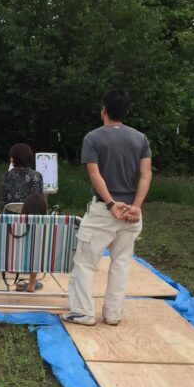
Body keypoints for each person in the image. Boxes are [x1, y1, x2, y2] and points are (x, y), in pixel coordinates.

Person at [64, 89, 152, 327]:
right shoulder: (140, 139)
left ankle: (82, 312)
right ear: (127, 112)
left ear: (103, 109)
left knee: (85, 262)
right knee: (121, 264)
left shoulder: (92, 138)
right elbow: (146, 174)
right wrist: (136, 207)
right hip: (131, 213)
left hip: (104, 211)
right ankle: (113, 314)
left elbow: (95, 175)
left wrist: (112, 204)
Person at [0, 142, 44, 209]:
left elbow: (2, 203)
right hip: (31, 214)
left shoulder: (5, 176)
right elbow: (40, 201)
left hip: (11, 213)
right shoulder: (37, 176)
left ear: (13, 159)